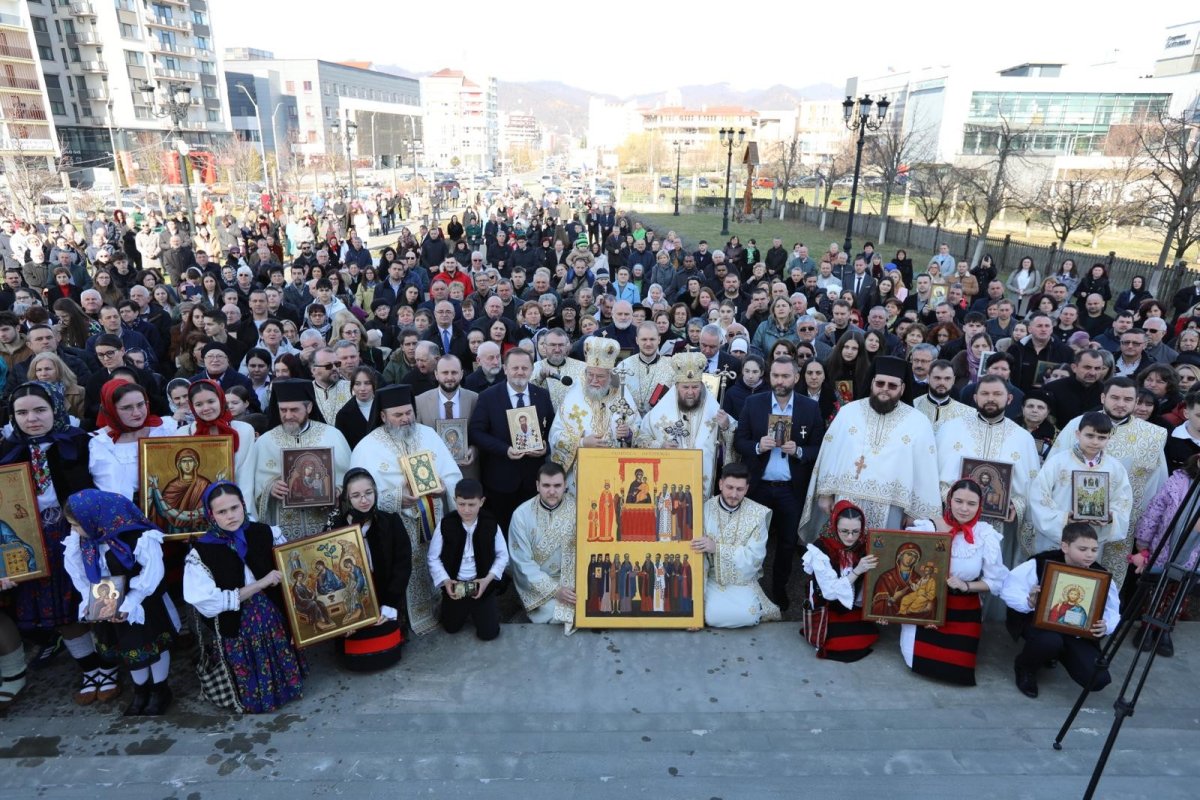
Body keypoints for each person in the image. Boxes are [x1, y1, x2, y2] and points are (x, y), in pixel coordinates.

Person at [0, 382, 104, 704]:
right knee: (61, 611)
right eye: (22, 412)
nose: (31, 418)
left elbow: (104, 489)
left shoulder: (82, 444)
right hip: (33, 539)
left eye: (40, 410)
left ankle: (119, 662)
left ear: (56, 409)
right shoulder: (7, 451)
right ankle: (90, 668)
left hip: (79, 533)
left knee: (100, 602)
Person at [183, 482, 305, 712]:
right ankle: (255, 697)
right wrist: (261, 583)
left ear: (243, 505)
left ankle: (286, 687)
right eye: (221, 512)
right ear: (211, 515)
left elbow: (291, 566)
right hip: (236, 623)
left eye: (234, 508)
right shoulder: (201, 552)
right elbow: (209, 604)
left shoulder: (265, 533)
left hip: (271, 613)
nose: (230, 516)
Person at [349, 384, 461, 636]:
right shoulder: (367, 446)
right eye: (397, 415)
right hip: (395, 527)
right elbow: (359, 494)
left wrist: (444, 488)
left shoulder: (428, 434)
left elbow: (452, 474)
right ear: (383, 416)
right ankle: (400, 617)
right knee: (401, 570)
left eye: (408, 413)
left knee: (433, 562)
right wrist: (398, 498)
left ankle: (437, 608)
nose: (404, 419)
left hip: (434, 521)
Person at [62, 490, 177, 715]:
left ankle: (160, 689)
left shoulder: (136, 536)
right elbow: (79, 573)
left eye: (76, 525)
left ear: (93, 518)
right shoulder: (84, 540)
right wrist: (90, 600)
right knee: (129, 648)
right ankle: (141, 691)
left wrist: (130, 602)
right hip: (107, 598)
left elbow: (152, 573)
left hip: (143, 601)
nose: (73, 531)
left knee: (152, 646)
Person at [1047, 378, 1167, 580]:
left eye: (1128, 399)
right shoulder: (1078, 424)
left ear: (1136, 401)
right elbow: (1054, 470)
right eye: (1115, 397)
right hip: (1073, 517)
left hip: (1119, 524)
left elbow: (1156, 484)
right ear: (1103, 397)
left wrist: (1142, 529)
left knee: (1104, 583)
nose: (1121, 404)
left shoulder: (1152, 436)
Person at [730, 355, 824, 610]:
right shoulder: (754, 403)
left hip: (790, 490)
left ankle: (779, 590)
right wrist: (758, 446)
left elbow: (819, 447)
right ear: (768, 376)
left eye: (785, 376)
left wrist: (801, 451)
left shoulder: (809, 408)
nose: (779, 381)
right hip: (759, 487)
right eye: (775, 375)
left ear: (795, 377)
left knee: (785, 543)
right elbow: (740, 441)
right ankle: (749, 588)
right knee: (752, 540)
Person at [805, 356, 941, 529]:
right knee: (843, 552)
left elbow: (925, 469)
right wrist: (825, 494)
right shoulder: (848, 413)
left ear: (903, 388)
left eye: (892, 386)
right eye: (880, 383)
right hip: (846, 500)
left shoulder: (918, 422)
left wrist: (915, 512)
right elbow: (831, 453)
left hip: (893, 506)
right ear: (871, 383)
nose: (884, 389)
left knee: (883, 554)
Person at [900, 480, 1009, 686]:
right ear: (949, 500)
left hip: (964, 608)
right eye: (958, 501)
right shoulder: (929, 527)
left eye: (971, 503)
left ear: (980, 506)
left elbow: (995, 582)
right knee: (915, 660)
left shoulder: (985, 534)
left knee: (958, 670)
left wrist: (967, 586)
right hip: (927, 606)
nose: (964, 509)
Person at [1001, 522, 1119, 698]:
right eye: (1083, 549)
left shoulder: (1100, 575)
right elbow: (1009, 589)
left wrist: (1106, 625)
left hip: (1077, 632)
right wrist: (1029, 603)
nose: (1089, 555)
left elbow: (1113, 609)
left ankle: (1056, 654)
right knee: (1050, 642)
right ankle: (1025, 667)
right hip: (1041, 626)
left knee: (1097, 679)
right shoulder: (1041, 563)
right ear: (1065, 546)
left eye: (1094, 550)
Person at [935, 376, 1042, 566]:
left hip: (999, 527)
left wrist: (1015, 506)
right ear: (975, 398)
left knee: (992, 578)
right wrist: (950, 498)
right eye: (985, 393)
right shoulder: (951, 429)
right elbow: (935, 477)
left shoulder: (1023, 438)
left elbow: (1031, 487)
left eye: (997, 394)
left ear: (1009, 399)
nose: (990, 398)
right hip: (955, 519)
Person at [325, 469, 410, 670]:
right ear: (347, 497)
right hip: (351, 600)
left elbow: (403, 564)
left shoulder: (391, 522)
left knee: (385, 647)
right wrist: (341, 620)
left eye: (368, 493)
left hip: (385, 598)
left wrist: (389, 606)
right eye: (356, 495)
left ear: (375, 492)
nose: (364, 500)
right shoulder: (334, 527)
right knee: (354, 654)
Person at [244, 380, 351, 540]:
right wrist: (270, 488)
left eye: (294, 410)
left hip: (325, 520)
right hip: (283, 523)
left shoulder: (332, 435)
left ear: (308, 407)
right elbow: (253, 485)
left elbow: (349, 477)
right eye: (283, 410)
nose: (288, 416)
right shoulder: (265, 441)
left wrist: (336, 491)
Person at [1027, 412, 1133, 559]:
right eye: (1089, 436)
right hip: (1057, 538)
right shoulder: (1058, 462)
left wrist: (1109, 517)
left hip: (1091, 538)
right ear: (1078, 434)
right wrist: (1064, 518)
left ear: (1109, 438)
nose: (1095, 442)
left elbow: (1123, 501)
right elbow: (1039, 496)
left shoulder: (1115, 468)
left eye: (1102, 437)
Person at [690, 462, 779, 628]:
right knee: (712, 617)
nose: (733, 494)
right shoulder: (704, 509)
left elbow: (754, 559)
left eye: (740, 489)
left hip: (741, 580)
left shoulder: (758, 514)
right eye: (729, 487)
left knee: (748, 616)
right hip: (711, 579)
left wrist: (717, 548)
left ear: (747, 489)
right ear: (720, 484)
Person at [636, 353, 735, 495]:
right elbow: (640, 439)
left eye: (695, 387)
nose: (690, 392)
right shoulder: (657, 413)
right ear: (676, 387)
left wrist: (726, 426)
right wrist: (660, 446)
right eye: (685, 387)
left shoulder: (713, 410)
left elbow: (734, 439)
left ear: (702, 386)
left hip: (703, 485)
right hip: (668, 481)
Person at [548, 337, 640, 489]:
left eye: (600, 376)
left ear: (610, 377)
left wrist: (629, 434)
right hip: (580, 474)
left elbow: (638, 429)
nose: (594, 380)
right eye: (590, 375)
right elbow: (556, 436)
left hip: (616, 472)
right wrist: (582, 442)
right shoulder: (573, 399)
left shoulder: (622, 396)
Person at [427, 479, 508, 641]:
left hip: (483, 586)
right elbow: (433, 557)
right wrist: (446, 580)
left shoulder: (490, 523)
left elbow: (503, 555)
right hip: (456, 586)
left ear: (482, 502)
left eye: (472, 505)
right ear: (455, 500)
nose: (466, 510)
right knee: (451, 628)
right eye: (461, 504)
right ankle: (458, 609)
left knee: (489, 634)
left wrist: (487, 580)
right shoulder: (446, 524)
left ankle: (484, 610)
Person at [801, 500, 880, 661]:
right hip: (827, 606)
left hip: (851, 606)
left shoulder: (863, 545)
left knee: (867, 636)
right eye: (844, 531)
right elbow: (829, 592)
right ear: (834, 526)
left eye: (855, 531)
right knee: (838, 644)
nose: (850, 537)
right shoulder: (820, 550)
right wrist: (858, 571)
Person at [507, 462, 578, 631]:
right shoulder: (521, 515)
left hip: (573, 581)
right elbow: (521, 563)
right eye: (546, 485)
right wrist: (555, 590)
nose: (552, 491)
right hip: (538, 586)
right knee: (559, 613)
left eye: (557, 485)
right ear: (537, 485)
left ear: (565, 485)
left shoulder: (578, 509)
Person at [89, 379, 179, 499]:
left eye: (141, 404)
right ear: (111, 409)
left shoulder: (164, 428)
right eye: (127, 408)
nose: (137, 413)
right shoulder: (99, 443)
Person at [176, 379, 256, 485]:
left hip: (235, 497)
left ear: (221, 400)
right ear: (192, 406)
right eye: (199, 404)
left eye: (211, 401)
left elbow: (246, 475)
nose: (206, 408)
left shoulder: (244, 430)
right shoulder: (183, 434)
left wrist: (241, 502)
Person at [913, 359, 971, 432]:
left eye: (947, 378)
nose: (942, 383)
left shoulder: (966, 413)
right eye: (937, 378)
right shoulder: (914, 406)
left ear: (953, 380)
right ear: (928, 378)